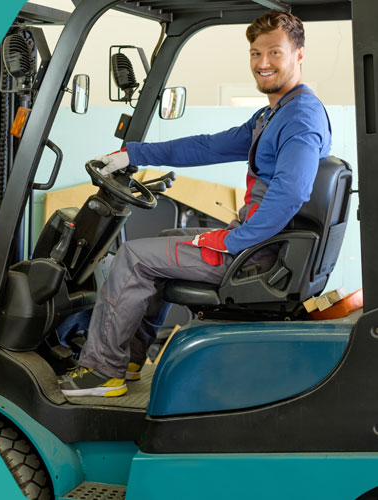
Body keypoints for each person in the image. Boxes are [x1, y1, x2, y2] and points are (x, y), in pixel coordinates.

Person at [58, 10, 332, 397]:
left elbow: (291, 193)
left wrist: (235, 243)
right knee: (167, 238)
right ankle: (130, 358)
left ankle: (102, 370)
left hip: (259, 253)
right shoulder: (275, 114)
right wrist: (133, 153)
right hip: (263, 245)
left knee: (133, 256)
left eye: (275, 52)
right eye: (255, 53)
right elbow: (207, 145)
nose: (263, 63)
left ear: (299, 54)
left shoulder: (300, 118)